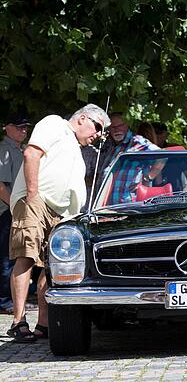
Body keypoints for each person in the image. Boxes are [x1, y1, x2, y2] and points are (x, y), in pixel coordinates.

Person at [7, 104, 108, 343]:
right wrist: (32, 195)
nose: (98, 134)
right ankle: (18, 321)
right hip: (36, 200)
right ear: (82, 118)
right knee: (27, 256)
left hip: (60, 213)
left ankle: (44, 324)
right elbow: (32, 153)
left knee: (51, 267)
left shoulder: (76, 146)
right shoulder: (54, 123)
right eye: (97, 127)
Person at [87, 112, 162, 205]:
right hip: (106, 207)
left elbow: (162, 156)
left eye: (120, 125)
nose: (116, 130)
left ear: (127, 125)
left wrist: (148, 178)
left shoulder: (137, 142)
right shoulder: (109, 145)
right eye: (113, 127)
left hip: (130, 206)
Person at [0, 116, 30, 314]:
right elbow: (0, 186)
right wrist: (14, 207)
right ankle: (4, 301)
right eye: (19, 127)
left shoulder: (20, 149)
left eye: (26, 127)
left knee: (13, 255)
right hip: (6, 210)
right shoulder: (4, 150)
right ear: (6, 128)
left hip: (15, 208)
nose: (23, 130)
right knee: (6, 256)